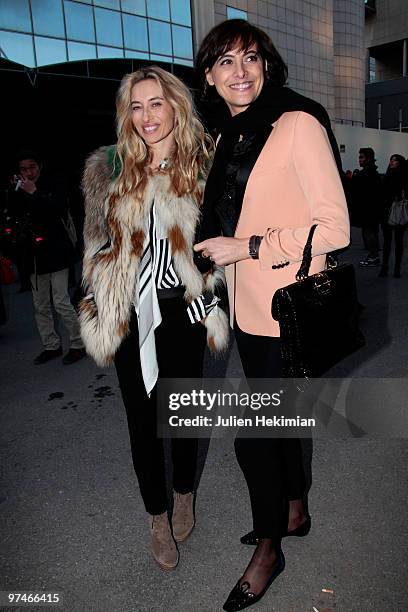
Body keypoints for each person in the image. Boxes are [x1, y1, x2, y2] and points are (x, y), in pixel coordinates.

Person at [195, 19, 350, 611]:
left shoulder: (297, 124)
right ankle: (295, 510)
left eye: (251, 59)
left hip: (289, 310)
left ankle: (268, 550)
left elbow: (333, 227)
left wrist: (251, 246)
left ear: (267, 67)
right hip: (246, 311)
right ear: (209, 76)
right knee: (279, 425)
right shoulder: (226, 138)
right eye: (226, 62)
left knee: (253, 436)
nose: (241, 72)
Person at [79, 66, 229, 571]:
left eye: (156, 103)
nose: (146, 116)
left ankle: (184, 492)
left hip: (181, 308)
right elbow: (96, 245)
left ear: (176, 107)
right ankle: (157, 517)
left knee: (182, 415)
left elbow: (219, 242)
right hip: (129, 311)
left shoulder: (204, 164)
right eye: (136, 106)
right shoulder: (109, 168)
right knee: (142, 421)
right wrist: (105, 292)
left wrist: (208, 290)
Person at [7, 151, 85, 365]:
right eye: (23, 169)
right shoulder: (18, 189)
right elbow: (13, 215)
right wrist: (15, 191)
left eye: (31, 167)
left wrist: (34, 193)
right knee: (40, 305)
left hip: (57, 253)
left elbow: (56, 210)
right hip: (33, 256)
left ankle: (79, 343)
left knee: (61, 302)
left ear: (39, 166)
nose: (28, 173)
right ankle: (51, 345)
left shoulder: (53, 183)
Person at [350, 147, 383, 267]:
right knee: (371, 232)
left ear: (368, 158)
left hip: (367, 210)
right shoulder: (373, 173)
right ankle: (374, 255)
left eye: (361, 157)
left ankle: (373, 256)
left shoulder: (365, 174)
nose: (359, 160)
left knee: (369, 233)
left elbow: (357, 191)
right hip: (372, 209)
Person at [379, 154, 408, 278]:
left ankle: (396, 269)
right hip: (387, 212)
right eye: (391, 159)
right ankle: (385, 268)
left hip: (396, 212)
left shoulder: (402, 177)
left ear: (400, 163)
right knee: (388, 242)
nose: (391, 162)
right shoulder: (387, 176)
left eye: (395, 160)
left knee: (398, 242)